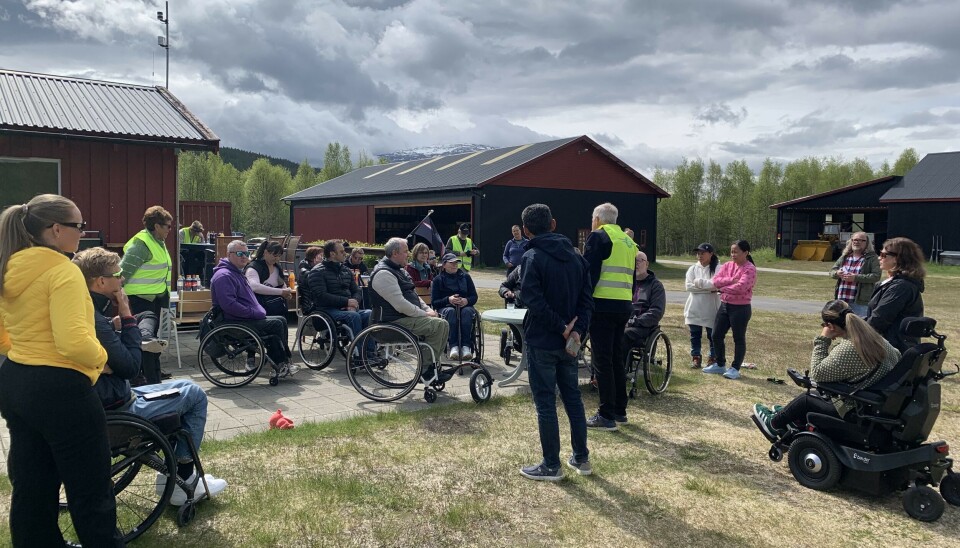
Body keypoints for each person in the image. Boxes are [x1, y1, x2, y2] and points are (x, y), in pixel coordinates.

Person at [0, 195, 121, 547]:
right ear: (56, 230)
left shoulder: (9, 266)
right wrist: (101, 358)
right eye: (79, 226)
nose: (83, 233)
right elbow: (72, 342)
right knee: (91, 492)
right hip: (62, 389)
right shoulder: (62, 269)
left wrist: (22, 350)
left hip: (17, 381)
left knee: (32, 487)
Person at [72, 247, 227, 506]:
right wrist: (126, 314)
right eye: (117, 274)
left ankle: (172, 475)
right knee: (194, 394)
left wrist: (114, 338)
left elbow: (118, 360)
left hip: (103, 400)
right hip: (119, 408)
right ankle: (183, 479)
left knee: (178, 389)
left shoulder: (79, 311)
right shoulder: (94, 319)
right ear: (100, 281)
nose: (122, 279)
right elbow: (132, 367)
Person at [517, 203, 594, 481]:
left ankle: (551, 465)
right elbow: (587, 300)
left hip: (544, 340)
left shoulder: (533, 257)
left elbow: (532, 300)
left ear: (526, 230)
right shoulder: (576, 257)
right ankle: (581, 457)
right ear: (553, 224)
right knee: (572, 397)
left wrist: (562, 328)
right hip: (569, 342)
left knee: (546, 403)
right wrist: (577, 330)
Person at [753, 300, 900, 439]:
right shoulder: (876, 338)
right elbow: (897, 356)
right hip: (878, 406)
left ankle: (773, 424)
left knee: (806, 399)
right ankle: (790, 418)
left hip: (856, 410)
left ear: (831, 326)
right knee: (817, 395)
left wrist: (823, 340)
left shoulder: (850, 348)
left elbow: (817, 373)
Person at [583, 202, 636, 430]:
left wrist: (582, 301)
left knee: (602, 360)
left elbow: (589, 273)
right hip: (623, 303)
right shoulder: (628, 241)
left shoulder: (598, 237)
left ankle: (606, 414)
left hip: (602, 304)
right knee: (615, 357)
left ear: (597, 219)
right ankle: (619, 409)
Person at [210, 240, 298, 376]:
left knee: (280, 320)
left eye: (246, 253)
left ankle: (283, 363)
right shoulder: (224, 276)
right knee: (275, 324)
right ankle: (280, 363)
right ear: (229, 254)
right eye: (239, 253)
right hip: (234, 321)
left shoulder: (236, 272)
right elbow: (230, 305)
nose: (244, 256)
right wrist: (253, 313)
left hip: (244, 316)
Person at [368, 237, 449, 370]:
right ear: (395, 253)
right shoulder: (383, 274)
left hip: (404, 318)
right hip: (390, 323)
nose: (409, 254)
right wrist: (424, 314)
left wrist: (428, 310)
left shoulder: (400, 271)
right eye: (406, 251)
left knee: (442, 323)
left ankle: (432, 365)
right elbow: (400, 305)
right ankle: (426, 369)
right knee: (439, 325)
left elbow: (414, 296)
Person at [120, 206, 174, 385]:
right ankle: (151, 379)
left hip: (157, 298)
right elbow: (123, 272)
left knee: (155, 338)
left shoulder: (158, 241)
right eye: (167, 226)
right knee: (146, 340)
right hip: (141, 300)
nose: (169, 230)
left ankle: (153, 372)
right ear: (157, 226)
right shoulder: (141, 244)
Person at [698, 240, 757, 380]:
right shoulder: (727, 265)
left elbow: (741, 287)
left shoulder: (750, 269)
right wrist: (731, 280)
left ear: (746, 253)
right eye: (731, 252)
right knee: (716, 335)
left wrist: (722, 288)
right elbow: (716, 280)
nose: (733, 255)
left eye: (736, 252)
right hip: (725, 305)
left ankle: (735, 368)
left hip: (741, 308)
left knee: (739, 338)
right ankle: (720, 364)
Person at [307, 240, 375, 354]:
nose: (345, 254)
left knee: (369, 313)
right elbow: (321, 296)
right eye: (342, 251)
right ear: (332, 254)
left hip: (347, 308)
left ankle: (371, 353)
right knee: (353, 316)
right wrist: (346, 302)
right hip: (326, 310)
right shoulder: (317, 272)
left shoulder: (346, 270)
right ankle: (359, 355)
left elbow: (357, 290)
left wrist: (354, 303)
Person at [865, 237, 926, 353]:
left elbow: (879, 320)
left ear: (897, 258)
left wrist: (854, 333)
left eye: (883, 255)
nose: (879, 258)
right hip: (889, 345)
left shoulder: (900, 287)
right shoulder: (896, 284)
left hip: (892, 349)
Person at [431, 253, 479, 360]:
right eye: (451, 263)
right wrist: (449, 299)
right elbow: (435, 302)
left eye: (456, 262)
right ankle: (454, 346)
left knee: (467, 312)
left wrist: (466, 300)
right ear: (444, 265)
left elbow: (474, 297)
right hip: (446, 307)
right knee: (450, 312)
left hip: (465, 306)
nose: (455, 265)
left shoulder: (466, 277)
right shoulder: (438, 280)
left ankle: (466, 346)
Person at [622, 251, 665, 361]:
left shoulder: (655, 286)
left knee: (623, 334)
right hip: (623, 321)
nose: (636, 264)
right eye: (633, 261)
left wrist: (634, 321)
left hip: (643, 327)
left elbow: (656, 312)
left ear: (647, 264)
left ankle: (618, 371)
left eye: (640, 261)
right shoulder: (626, 282)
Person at [684, 243, 720, 369]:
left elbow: (716, 285)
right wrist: (708, 289)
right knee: (695, 334)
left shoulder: (717, 268)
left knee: (712, 335)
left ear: (711, 254)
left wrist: (700, 284)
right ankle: (696, 357)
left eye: (702, 253)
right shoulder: (693, 269)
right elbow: (689, 287)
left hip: (711, 307)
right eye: (698, 253)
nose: (700, 256)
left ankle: (713, 357)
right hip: (695, 306)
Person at [829, 232, 881, 317]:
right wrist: (837, 273)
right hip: (842, 299)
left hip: (860, 301)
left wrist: (855, 277)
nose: (857, 242)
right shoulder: (845, 256)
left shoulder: (872, 258)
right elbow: (832, 271)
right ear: (851, 241)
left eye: (861, 240)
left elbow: (876, 276)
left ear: (867, 243)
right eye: (855, 240)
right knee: (842, 326)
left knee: (859, 327)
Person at [245, 240, 292, 317]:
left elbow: (282, 285)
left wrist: (286, 292)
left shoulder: (277, 268)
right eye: (275, 255)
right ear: (265, 252)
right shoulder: (254, 268)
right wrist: (281, 292)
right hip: (260, 310)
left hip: (278, 309)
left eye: (279, 256)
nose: (277, 259)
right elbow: (254, 286)